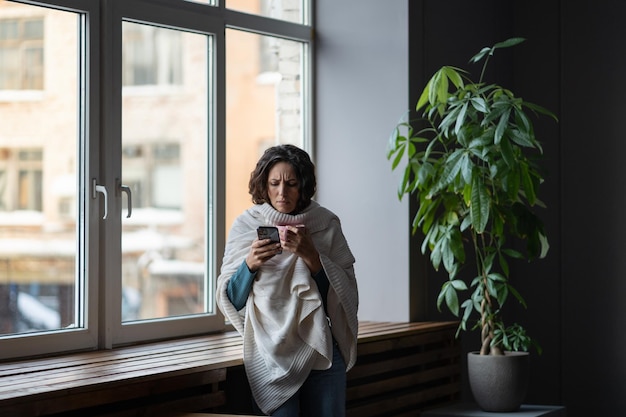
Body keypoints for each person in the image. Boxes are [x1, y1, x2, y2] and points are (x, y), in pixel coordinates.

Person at [216, 144, 358, 417]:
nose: (282, 192)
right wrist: (250, 265)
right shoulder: (246, 225)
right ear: (264, 186)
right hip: (270, 352)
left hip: (321, 350)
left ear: (303, 186)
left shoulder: (325, 224)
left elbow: (344, 295)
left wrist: (313, 258)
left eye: (291, 184)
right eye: (274, 183)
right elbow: (231, 300)